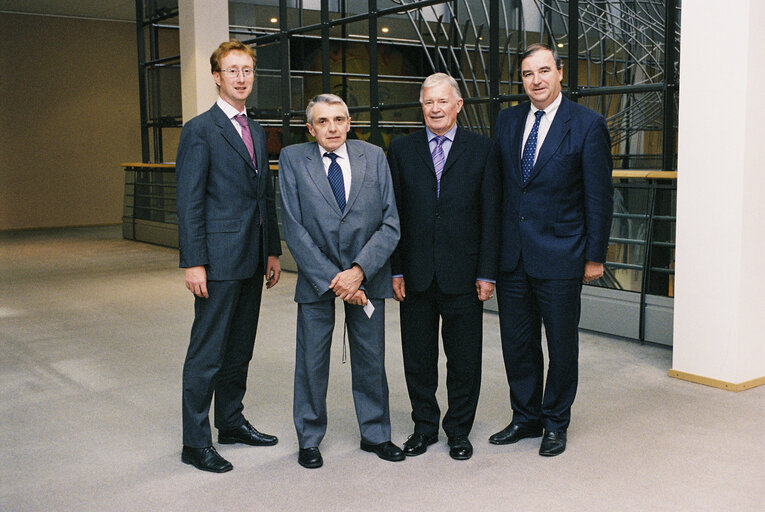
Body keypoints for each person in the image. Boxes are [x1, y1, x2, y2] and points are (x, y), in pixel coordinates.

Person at [491, 43, 614, 457]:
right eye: (528, 74)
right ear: (521, 80)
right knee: (518, 342)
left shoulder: (586, 124)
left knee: (561, 345)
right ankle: (525, 417)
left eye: (544, 70)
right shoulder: (506, 121)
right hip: (513, 256)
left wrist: (594, 256)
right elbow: (502, 190)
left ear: (560, 72)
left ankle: (555, 422)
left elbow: (599, 196)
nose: (536, 80)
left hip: (563, 254)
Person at [278, 94, 403, 469]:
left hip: (366, 276)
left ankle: (376, 434)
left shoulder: (373, 156)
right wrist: (335, 279)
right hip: (319, 279)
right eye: (322, 121)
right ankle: (310, 438)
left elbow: (391, 222)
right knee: (312, 360)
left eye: (338, 120)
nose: (331, 128)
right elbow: (293, 227)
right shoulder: (292, 159)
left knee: (371, 357)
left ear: (350, 123)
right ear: (309, 128)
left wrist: (359, 271)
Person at [176, 40, 282, 473]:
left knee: (239, 348)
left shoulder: (255, 129)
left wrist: (272, 249)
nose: (242, 78)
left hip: (253, 258)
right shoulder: (200, 130)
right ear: (217, 77)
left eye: (247, 70)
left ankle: (231, 421)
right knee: (208, 351)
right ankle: (195, 442)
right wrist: (194, 261)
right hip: (217, 260)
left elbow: (264, 196)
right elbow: (189, 201)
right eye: (232, 70)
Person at [388, 73, 500, 461]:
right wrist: (396, 269)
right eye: (428, 102)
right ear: (422, 106)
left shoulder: (483, 150)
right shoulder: (401, 149)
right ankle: (424, 427)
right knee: (418, 358)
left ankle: (458, 430)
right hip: (415, 275)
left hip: (465, 276)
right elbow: (394, 214)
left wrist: (487, 272)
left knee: (464, 359)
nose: (435, 109)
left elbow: (491, 215)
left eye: (442, 101)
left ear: (458, 105)